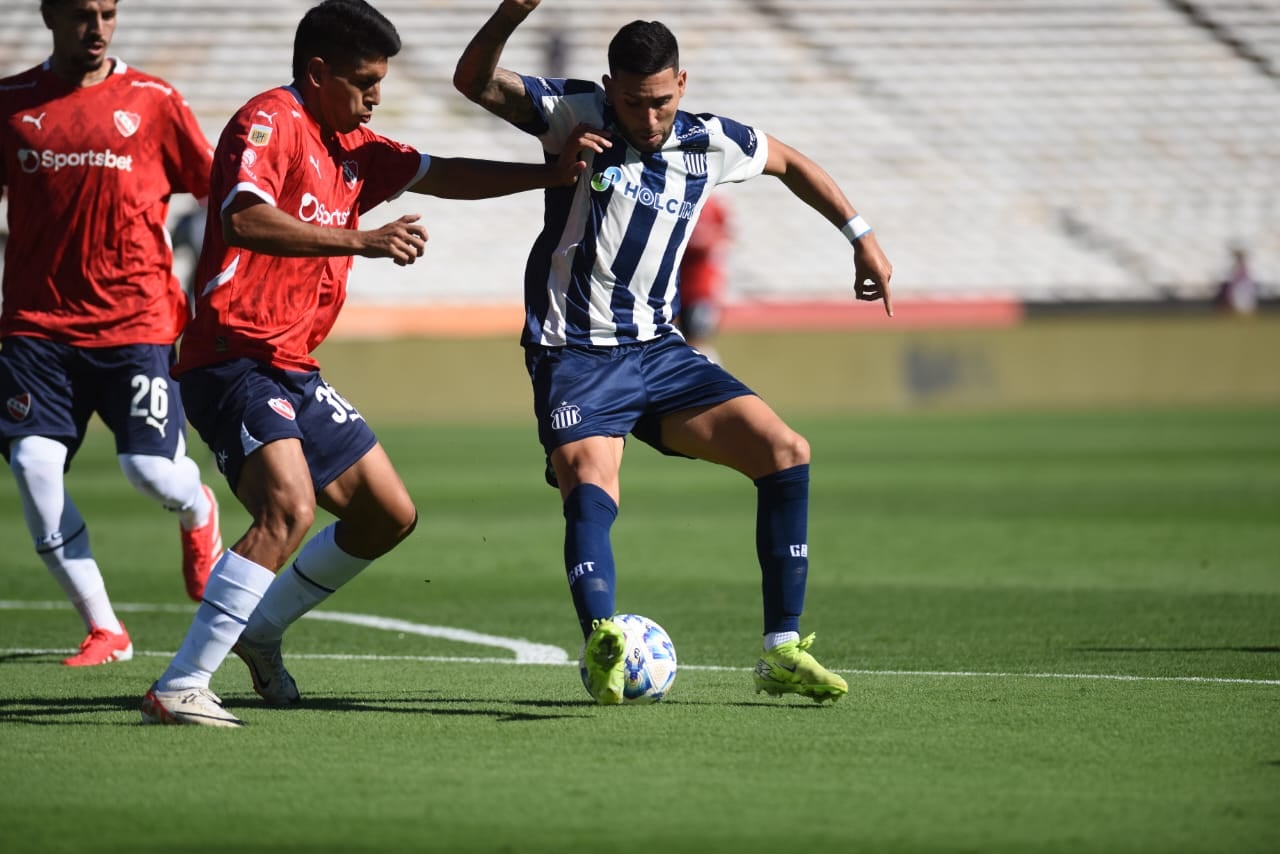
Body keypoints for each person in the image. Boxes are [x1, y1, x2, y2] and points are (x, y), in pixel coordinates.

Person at [139, 0, 604, 727]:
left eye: (380, 81)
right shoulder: (269, 122)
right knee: (287, 506)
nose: (375, 95)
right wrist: (364, 241)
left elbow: (441, 171)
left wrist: (549, 177)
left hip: (291, 363)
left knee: (388, 516)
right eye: (363, 80)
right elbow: (243, 217)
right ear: (317, 73)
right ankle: (180, 684)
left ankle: (260, 631)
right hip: (231, 354)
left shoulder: (352, 143)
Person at [454, 0, 893, 705]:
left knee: (786, 451)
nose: (648, 119)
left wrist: (861, 234)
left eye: (660, 102)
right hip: (574, 352)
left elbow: (789, 160)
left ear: (681, 85)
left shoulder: (711, 140)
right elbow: (473, 81)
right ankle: (602, 640)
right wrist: (509, 14)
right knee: (591, 481)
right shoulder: (573, 116)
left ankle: (782, 650)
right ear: (609, 88)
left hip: (660, 351)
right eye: (632, 104)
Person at [0, 0, 224, 667]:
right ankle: (105, 628)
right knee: (34, 466)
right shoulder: (10, 104)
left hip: (136, 322)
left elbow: (215, 190)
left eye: (107, 12)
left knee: (151, 471)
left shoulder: (154, 100)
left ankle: (198, 508)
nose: (95, 28)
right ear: (48, 15)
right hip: (37, 328)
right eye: (79, 14)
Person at [675, 194, 732, 363]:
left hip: (701, 291)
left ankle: (711, 379)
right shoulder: (681, 203)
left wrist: (697, 240)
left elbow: (723, 237)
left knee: (697, 340)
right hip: (678, 289)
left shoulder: (714, 206)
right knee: (677, 339)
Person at [1215, 246, 1260, 315]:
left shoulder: (1242, 265)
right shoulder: (1238, 265)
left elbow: (1239, 276)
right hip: (1240, 286)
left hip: (1243, 286)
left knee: (1244, 303)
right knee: (1239, 303)